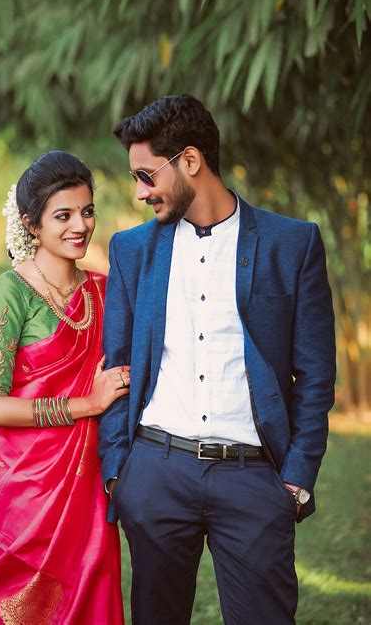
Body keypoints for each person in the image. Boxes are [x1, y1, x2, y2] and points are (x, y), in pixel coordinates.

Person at [98, 95, 336, 625]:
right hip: (156, 472)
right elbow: (116, 365)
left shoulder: (291, 244)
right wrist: (119, 472)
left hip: (254, 479)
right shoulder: (132, 251)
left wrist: (296, 478)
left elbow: (316, 375)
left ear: (189, 160)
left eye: (145, 175)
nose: (139, 192)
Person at [0, 151, 129, 625]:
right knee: (27, 607)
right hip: (27, 486)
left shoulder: (104, 290)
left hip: (88, 482)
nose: (80, 225)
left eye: (87, 211)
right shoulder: (10, 292)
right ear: (31, 225)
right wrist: (88, 403)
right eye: (63, 215)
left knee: (92, 585)